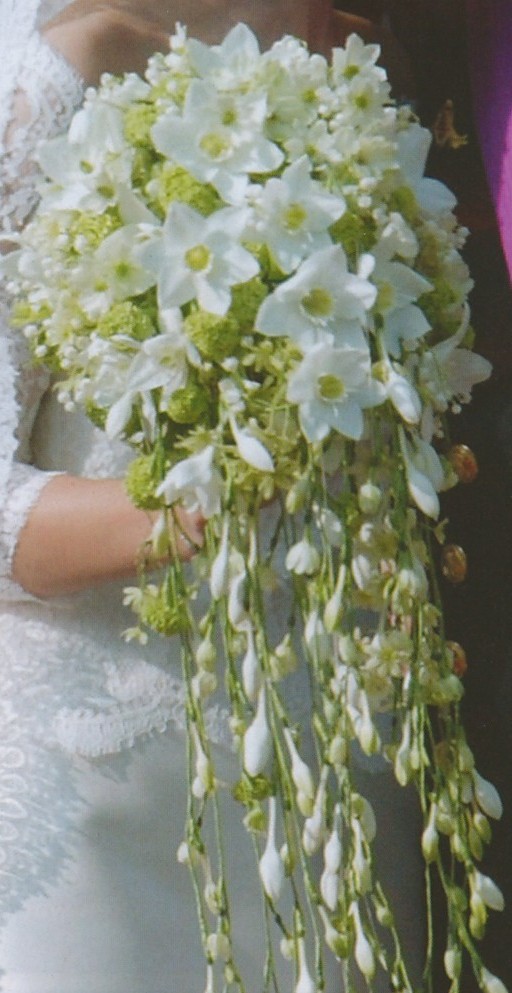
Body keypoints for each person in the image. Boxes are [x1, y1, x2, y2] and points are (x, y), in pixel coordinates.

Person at [0, 3, 425, 991]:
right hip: (100, 810)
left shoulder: (369, 59)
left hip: (338, 786)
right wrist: (209, 502)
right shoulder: (56, 74)